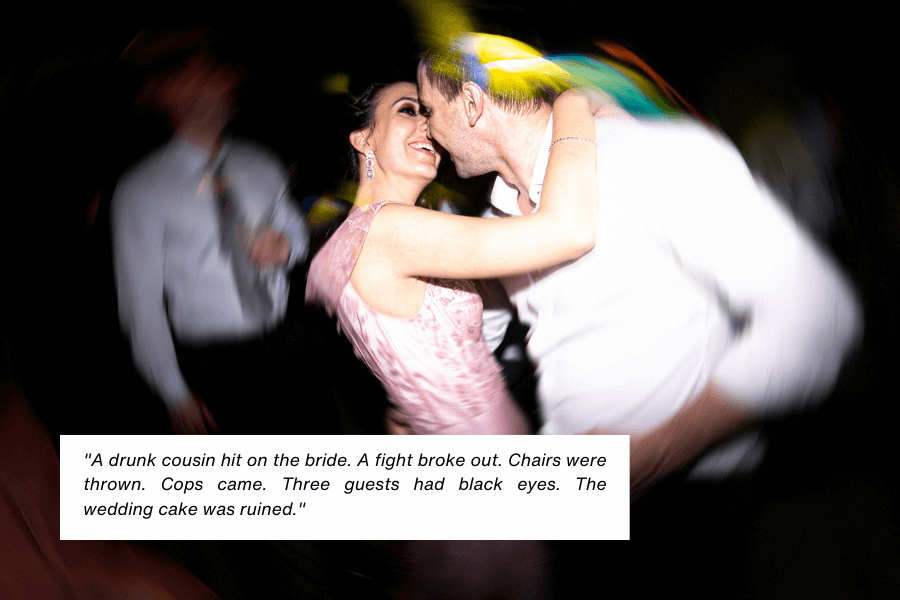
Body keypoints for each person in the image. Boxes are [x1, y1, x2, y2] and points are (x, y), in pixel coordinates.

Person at [415, 33, 862, 493]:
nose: (426, 129)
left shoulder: (647, 158)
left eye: (428, 110)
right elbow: (475, 337)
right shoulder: (495, 219)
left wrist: (661, 449)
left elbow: (819, 313)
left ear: (471, 103)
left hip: (693, 496)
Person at [306, 81, 598, 435]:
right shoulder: (388, 228)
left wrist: (414, 408)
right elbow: (568, 232)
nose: (426, 124)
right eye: (407, 110)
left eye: (427, 111)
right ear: (363, 139)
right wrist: (570, 104)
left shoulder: (344, 243)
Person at [112, 43, 310, 435]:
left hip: (289, 341)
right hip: (216, 364)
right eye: (203, 76)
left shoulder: (262, 162)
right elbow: (140, 302)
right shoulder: (140, 189)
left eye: (218, 72)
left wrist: (285, 247)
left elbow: (296, 231)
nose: (223, 80)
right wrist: (174, 392)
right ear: (170, 94)